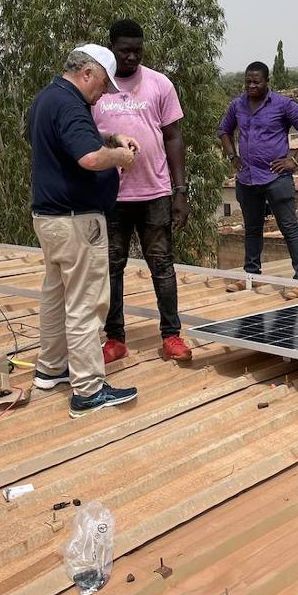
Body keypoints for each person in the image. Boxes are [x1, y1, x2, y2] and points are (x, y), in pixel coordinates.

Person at [27, 44, 141, 417]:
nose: (104, 93)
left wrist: (111, 141)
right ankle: (89, 390)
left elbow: (73, 146)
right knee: (86, 303)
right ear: (87, 73)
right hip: (77, 222)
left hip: (50, 219)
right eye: (103, 85)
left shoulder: (46, 98)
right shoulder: (72, 104)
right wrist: (120, 157)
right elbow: (88, 158)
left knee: (56, 295)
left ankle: (51, 367)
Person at [93, 19, 193, 364]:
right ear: (111, 49)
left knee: (162, 266)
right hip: (110, 197)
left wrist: (180, 191)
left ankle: (172, 335)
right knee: (111, 268)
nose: (132, 57)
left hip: (155, 193)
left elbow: (174, 137)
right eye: (124, 51)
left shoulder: (159, 84)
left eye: (137, 50)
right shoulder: (97, 89)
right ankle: (115, 339)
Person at [217, 61, 298, 299]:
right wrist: (233, 156)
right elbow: (223, 130)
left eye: (256, 82)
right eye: (248, 82)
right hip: (247, 179)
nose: (251, 86)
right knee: (252, 229)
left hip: (276, 179)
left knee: (289, 228)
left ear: (266, 82)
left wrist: (293, 161)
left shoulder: (282, 105)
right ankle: (251, 276)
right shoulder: (237, 105)